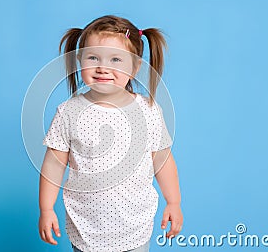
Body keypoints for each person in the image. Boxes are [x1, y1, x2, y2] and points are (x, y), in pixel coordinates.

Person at [38, 15, 183, 252]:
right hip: (86, 227)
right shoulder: (69, 112)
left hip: (134, 226)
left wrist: (174, 202)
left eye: (116, 59)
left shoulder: (148, 111)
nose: (103, 68)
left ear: (135, 66)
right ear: (80, 61)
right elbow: (53, 165)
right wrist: (46, 209)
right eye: (93, 57)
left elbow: (162, 160)